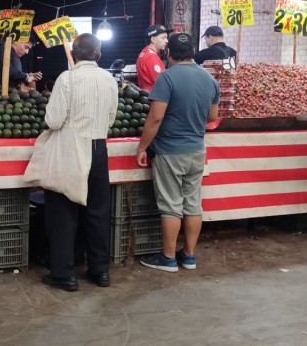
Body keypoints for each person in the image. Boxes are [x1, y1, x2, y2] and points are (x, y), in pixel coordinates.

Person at [135, 33, 219, 273]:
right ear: (193, 52)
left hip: (170, 150)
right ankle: (189, 256)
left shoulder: (167, 78)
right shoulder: (209, 79)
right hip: (196, 150)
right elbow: (211, 117)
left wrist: (142, 147)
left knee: (171, 205)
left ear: (168, 53)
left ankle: (169, 257)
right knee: (193, 204)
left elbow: (155, 117)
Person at [41, 33, 118, 291]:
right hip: (98, 149)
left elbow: (52, 121)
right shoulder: (109, 79)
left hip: (71, 149)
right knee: (98, 211)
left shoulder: (67, 79)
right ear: (99, 55)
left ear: (73, 54)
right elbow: (111, 118)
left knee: (63, 211)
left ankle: (64, 275)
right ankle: (100, 271)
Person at [136, 24, 170, 92]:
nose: (166, 41)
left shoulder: (145, 53)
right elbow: (162, 83)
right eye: (163, 38)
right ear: (153, 39)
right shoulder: (151, 57)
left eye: (166, 38)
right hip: (153, 97)